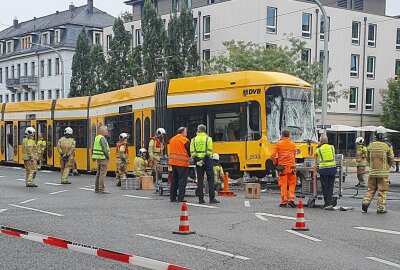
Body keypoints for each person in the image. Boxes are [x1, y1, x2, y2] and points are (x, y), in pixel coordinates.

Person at [362, 127, 394, 214]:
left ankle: (365, 202)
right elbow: (391, 159)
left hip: (372, 172)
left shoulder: (370, 145)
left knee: (371, 189)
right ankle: (380, 208)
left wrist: (372, 165)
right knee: (382, 191)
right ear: (384, 135)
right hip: (383, 173)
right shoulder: (388, 145)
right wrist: (388, 167)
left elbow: (368, 158)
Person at [190, 124, 220, 204]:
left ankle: (201, 199)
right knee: (210, 179)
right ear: (205, 130)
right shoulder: (208, 139)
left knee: (200, 180)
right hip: (207, 161)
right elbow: (209, 151)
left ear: (198, 130)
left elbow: (192, 152)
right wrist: (204, 160)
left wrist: (198, 160)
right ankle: (212, 198)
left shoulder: (193, 140)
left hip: (198, 161)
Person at [271, 130, 297, 208]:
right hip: (292, 167)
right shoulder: (293, 144)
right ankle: (291, 199)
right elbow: (294, 156)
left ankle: (284, 201)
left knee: (283, 185)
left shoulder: (278, 144)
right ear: (289, 136)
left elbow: (272, 156)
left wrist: (275, 163)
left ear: (281, 135)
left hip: (282, 168)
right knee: (292, 183)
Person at [169, 127, 190, 203]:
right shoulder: (184, 140)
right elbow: (189, 150)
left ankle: (172, 197)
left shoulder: (172, 139)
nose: (186, 134)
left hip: (173, 162)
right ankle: (180, 198)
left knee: (174, 180)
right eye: (186, 132)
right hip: (182, 163)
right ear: (182, 132)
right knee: (182, 180)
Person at [316, 135, 337, 211]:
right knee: (330, 186)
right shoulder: (332, 147)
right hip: (332, 169)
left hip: (324, 170)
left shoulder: (319, 149)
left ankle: (327, 203)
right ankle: (330, 202)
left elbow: (315, 156)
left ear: (321, 141)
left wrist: (318, 145)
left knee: (325, 187)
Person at [92, 125, 110, 194]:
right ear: (103, 131)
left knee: (98, 174)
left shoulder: (97, 137)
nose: (107, 132)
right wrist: (108, 156)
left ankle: (97, 188)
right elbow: (105, 149)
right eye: (106, 130)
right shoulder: (102, 138)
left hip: (98, 158)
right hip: (103, 158)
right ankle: (101, 189)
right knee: (102, 174)